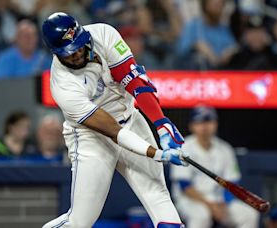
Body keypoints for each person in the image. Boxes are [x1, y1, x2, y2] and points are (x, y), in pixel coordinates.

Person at [41, 12, 187, 228]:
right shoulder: (63, 85)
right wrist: (156, 152)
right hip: (91, 138)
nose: (78, 53)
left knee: (157, 194)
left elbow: (135, 82)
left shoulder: (104, 34)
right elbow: (114, 131)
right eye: (70, 52)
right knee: (80, 222)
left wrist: (162, 124)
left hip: (131, 118)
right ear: (56, 52)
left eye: (79, 44)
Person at [171, 106, 259, 228]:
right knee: (201, 216)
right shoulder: (184, 147)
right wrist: (210, 205)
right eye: (200, 122)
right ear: (192, 126)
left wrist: (224, 203)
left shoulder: (225, 149)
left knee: (249, 215)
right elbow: (184, 185)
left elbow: (232, 182)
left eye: (208, 121)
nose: (205, 126)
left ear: (215, 124)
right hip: (190, 200)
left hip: (220, 201)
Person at [176, 0, 238, 69]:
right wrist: (196, 45)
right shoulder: (194, 26)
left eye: (221, 5)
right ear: (205, 5)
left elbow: (233, 47)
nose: (219, 9)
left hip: (220, 72)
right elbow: (181, 52)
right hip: (196, 73)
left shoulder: (223, 29)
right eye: (215, 5)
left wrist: (229, 53)